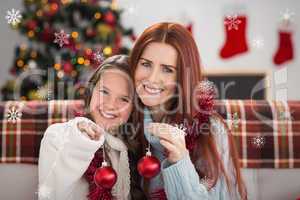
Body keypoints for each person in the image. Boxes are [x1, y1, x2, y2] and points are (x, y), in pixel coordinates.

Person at [129, 22, 248, 200]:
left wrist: (180, 162)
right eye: (146, 64)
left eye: (167, 70)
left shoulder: (211, 130)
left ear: (183, 76)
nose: (152, 78)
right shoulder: (123, 118)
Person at [38, 55, 144, 200]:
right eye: (104, 92)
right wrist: (79, 145)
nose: (110, 105)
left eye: (124, 99)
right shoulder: (58, 135)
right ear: (92, 90)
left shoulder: (134, 149)